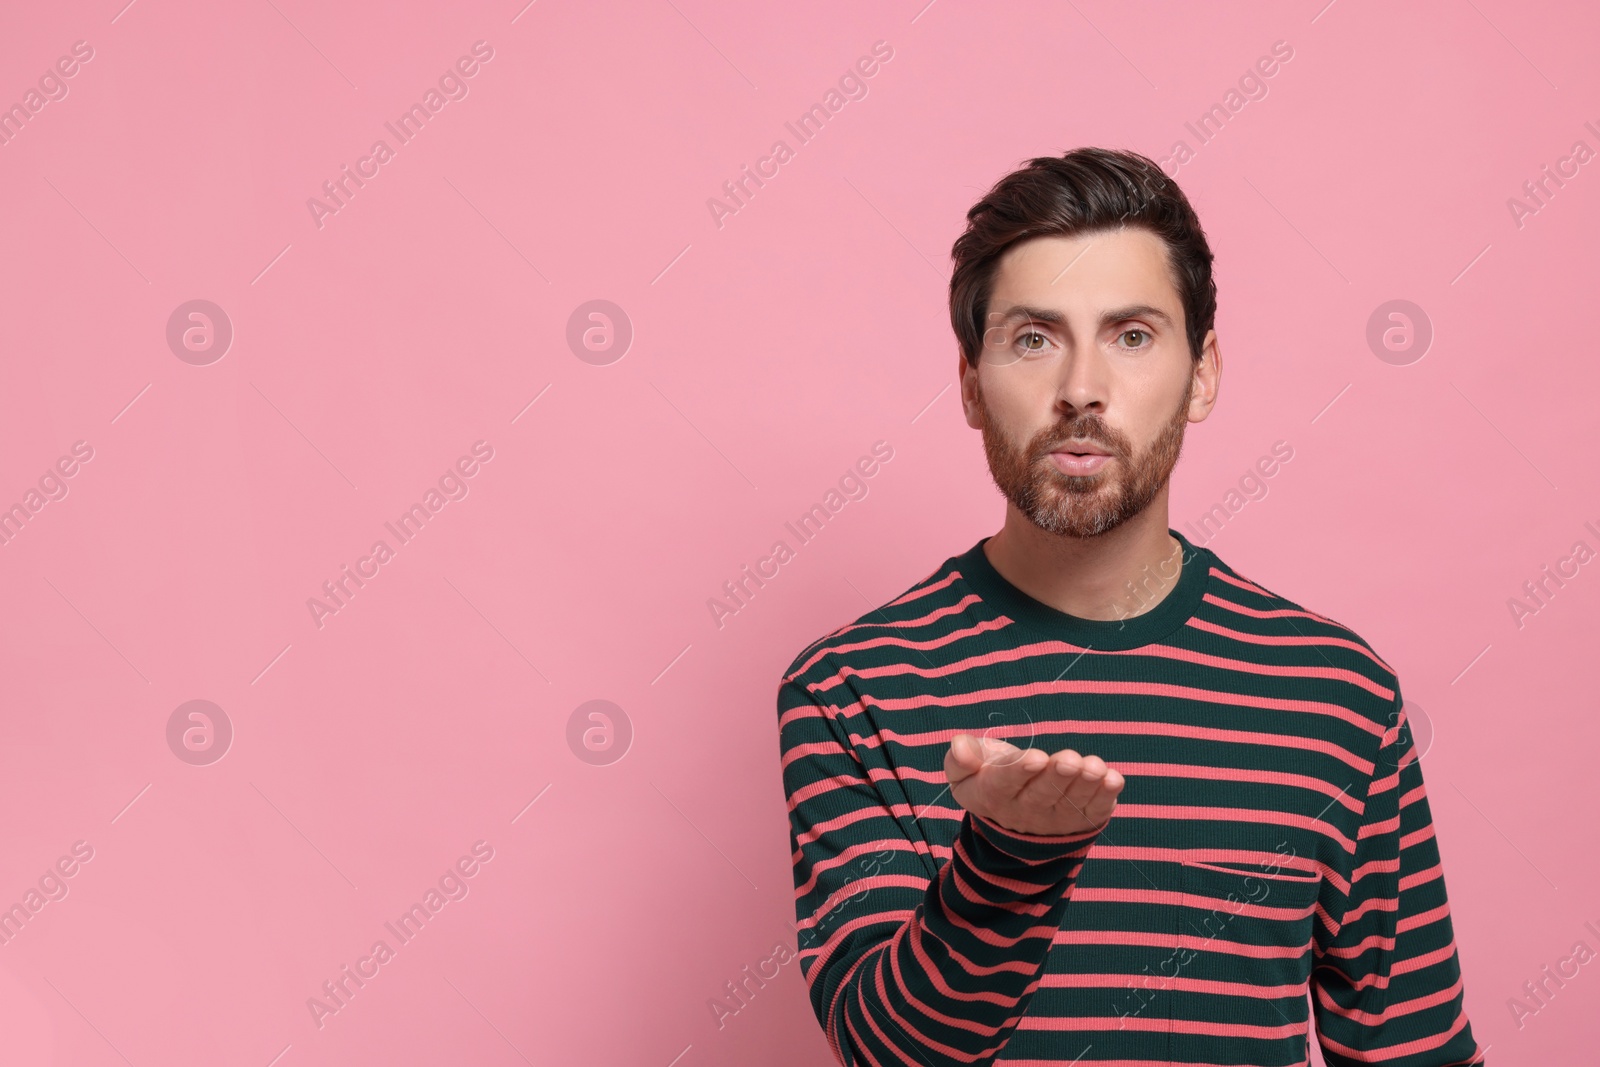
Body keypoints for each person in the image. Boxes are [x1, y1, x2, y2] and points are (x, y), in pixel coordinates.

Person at [774, 147, 1485, 1066]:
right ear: (967, 382)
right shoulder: (851, 687)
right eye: (1034, 337)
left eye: (1133, 334)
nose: (1080, 387)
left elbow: (1414, 1052)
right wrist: (1009, 859)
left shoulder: (1339, 694)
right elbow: (886, 1052)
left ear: (1202, 375)